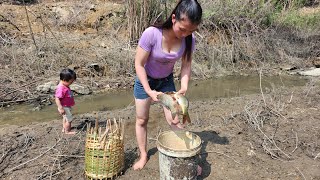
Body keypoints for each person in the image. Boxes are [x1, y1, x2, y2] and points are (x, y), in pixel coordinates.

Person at [133, 0, 202, 171]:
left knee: (175, 118)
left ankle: (186, 155)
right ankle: (143, 155)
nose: (185, 34)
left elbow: (186, 65)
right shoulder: (152, 34)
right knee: (142, 119)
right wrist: (149, 90)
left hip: (166, 81)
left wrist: (184, 86)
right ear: (173, 18)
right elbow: (139, 64)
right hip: (145, 81)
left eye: (191, 30)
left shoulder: (188, 39)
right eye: (182, 29)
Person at [55, 68, 77, 135]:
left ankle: (64, 129)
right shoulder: (61, 88)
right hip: (64, 107)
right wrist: (60, 108)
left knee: (65, 118)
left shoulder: (64, 85)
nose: (71, 84)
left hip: (66, 106)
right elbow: (57, 98)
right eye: (70, 82)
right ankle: (67, 131)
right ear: (64, 80)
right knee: (69, 119)